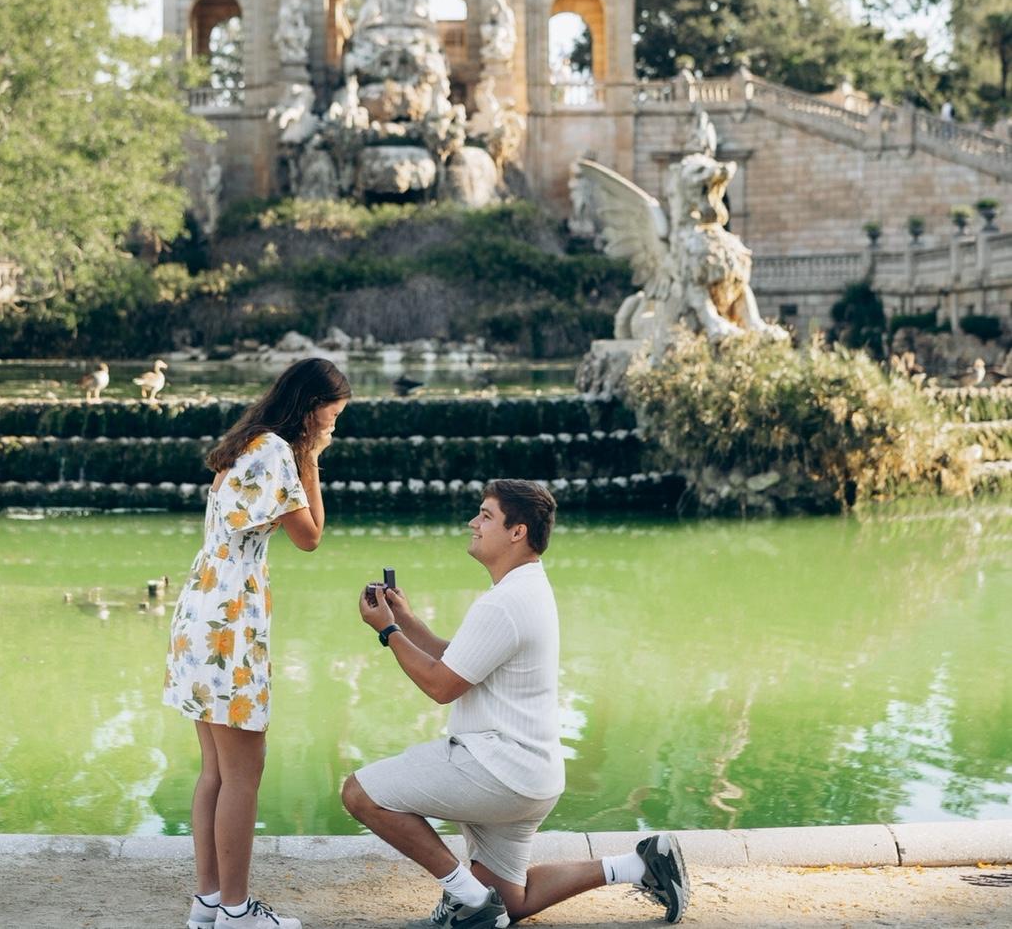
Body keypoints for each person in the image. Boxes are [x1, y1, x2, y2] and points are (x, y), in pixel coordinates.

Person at [345, 479, 690, 927]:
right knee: (513, 900)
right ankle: (640, 866)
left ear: (517, 531)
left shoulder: (504, 602)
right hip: (532, 778)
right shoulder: (526, 588)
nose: (474, 522)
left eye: (485, 515)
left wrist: (387, 632)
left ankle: (467, 898)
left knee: (360, 793)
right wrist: (406, 620)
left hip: (497, 771)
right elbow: (460, 662)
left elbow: (441, 686)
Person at [163, 358, 351, 929]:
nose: (334, 427)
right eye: (333, 416)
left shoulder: (247, 443)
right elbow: (310, 537)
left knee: (216, 771)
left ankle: (208, 903)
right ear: (311, 409)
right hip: (230, 621)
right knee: (244, 771)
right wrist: (312, 461)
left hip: (203, 609)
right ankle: (238, 910)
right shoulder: (274, 453)